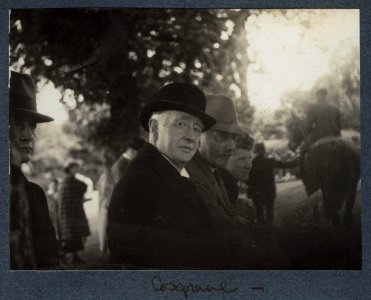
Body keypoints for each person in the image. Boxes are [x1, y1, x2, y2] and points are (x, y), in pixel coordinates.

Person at [107, 82, 222, 269]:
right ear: (154, 129)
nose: (191, 137)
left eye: (196, 128)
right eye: (181, 124)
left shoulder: (166, 173)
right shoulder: (142, 186)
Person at [9, 70, 59, 269]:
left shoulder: (35, 194)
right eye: (18, 124)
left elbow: (49, 264)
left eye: (32, 126)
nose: (28, 135)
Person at [97, 138, 145, 256]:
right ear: (132, 151)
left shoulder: (127, 163)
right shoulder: (121, 165)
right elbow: (122, 188)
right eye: (139, 153)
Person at [247, 143, 299, 225]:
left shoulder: (250, 163)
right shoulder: (270, 161)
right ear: (264, 151)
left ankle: (261, 233)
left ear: (254, 150)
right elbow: (287, 164)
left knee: (259, 213)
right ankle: (270, 232)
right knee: (269, 214)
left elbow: (247, 179)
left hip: (256, 192)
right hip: (269, 191)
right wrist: (300, 158)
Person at [57, 161, 90, 265]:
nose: (77, 169)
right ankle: (64, 257)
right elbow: (83, 186)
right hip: (69, 213)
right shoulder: (69, 180)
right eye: (76, 167)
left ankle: (75, 257)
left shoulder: (67, 180)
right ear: (70, 168)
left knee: (74, 236)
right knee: (70, 236)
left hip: (70, 213)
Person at [219, 132, 255, 221]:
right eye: (241, 159)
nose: (249, 165)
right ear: (224, 160)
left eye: (250, 158)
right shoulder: (226, 185)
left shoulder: (225, 182)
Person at [301, 88, 341, 156]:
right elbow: (339, 125)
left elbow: (309, 125)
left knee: (302, 150)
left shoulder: (313, 107)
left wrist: (309, 131)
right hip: (335, 134)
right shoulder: (335, 107)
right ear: (326, 96)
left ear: (318, 96)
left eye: (317, 95)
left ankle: (303, 166)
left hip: (319, 134)